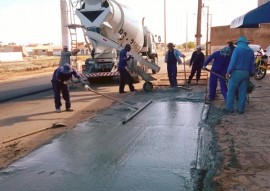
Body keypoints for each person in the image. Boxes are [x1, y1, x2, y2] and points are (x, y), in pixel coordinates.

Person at [225, 36, 255, 114]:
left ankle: (230, 109)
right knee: (242, 92)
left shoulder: (237, 49)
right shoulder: (251, 51)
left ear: (239, 43)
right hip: (246, 73)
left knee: (231, 91)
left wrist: (228, 71)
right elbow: (252, 64)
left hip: (236, 73)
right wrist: (252, 72)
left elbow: (233, 62)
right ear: (246, 43)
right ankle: (240, 110)